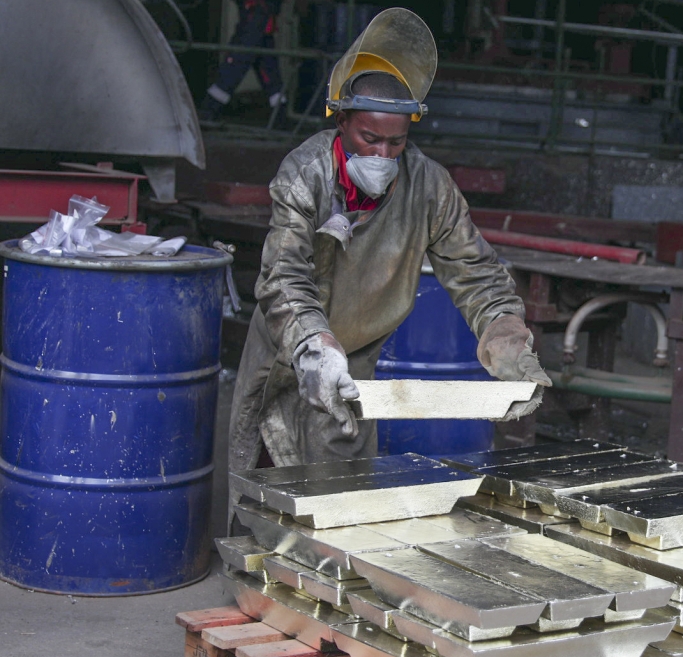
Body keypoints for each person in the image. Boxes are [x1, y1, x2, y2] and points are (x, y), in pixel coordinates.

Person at [228, 8, 550, 476]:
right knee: (265, 485)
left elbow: (477, 275)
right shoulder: (306, 174)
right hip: (287, 351)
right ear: (341, 122)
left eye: (395, 144)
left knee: (341, 496)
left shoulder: (430, 188)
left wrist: (508, 340)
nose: (382, 155)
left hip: (355, 363)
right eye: (369, 138)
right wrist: (315, 346)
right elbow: (283, 274)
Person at [199, 0, 286, 121]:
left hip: (257, 13)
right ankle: (280, 114)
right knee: (266, 65)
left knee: (237, 60)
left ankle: (209, 109)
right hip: (258, 14)